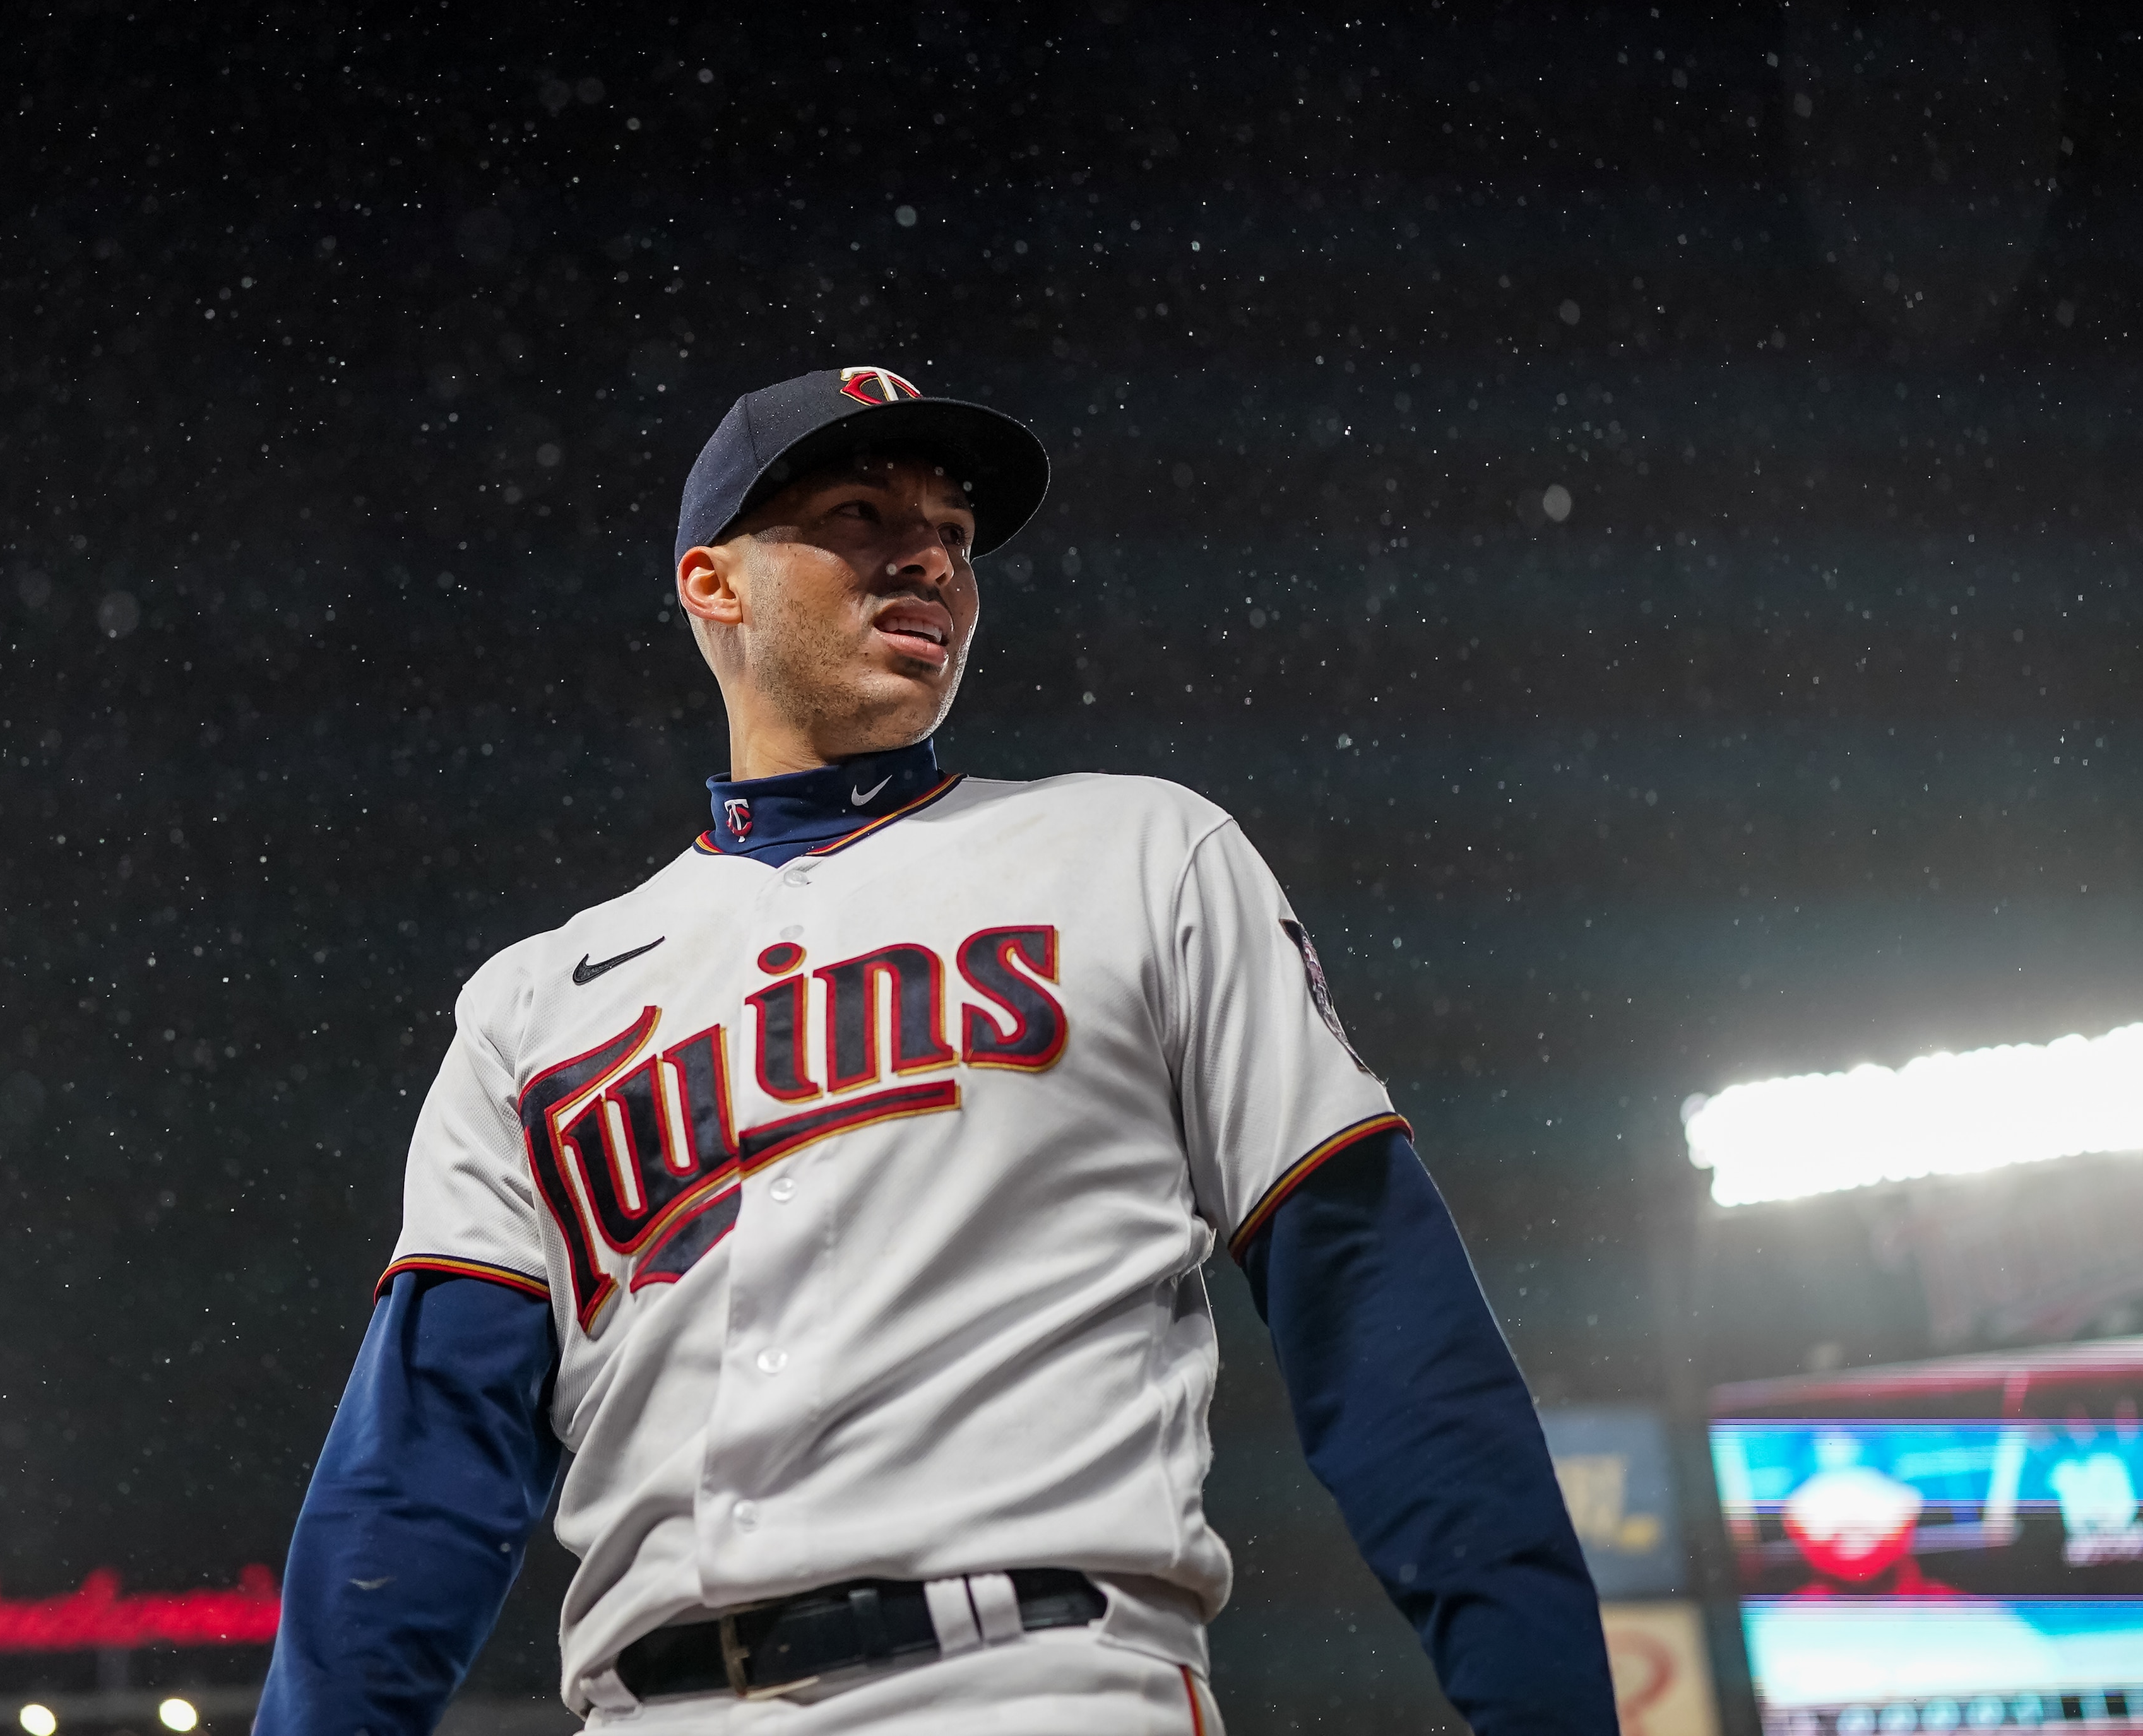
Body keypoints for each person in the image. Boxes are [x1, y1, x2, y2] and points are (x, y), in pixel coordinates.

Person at [253, 367, 1617, 1733]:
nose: (928, 555)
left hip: (1038, 1673)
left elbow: (1378, 1311)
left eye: (955, 534)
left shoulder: (1140, 851)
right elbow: (419, 1471)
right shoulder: (534, 1000)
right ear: (713, 583)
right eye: (859, 510)